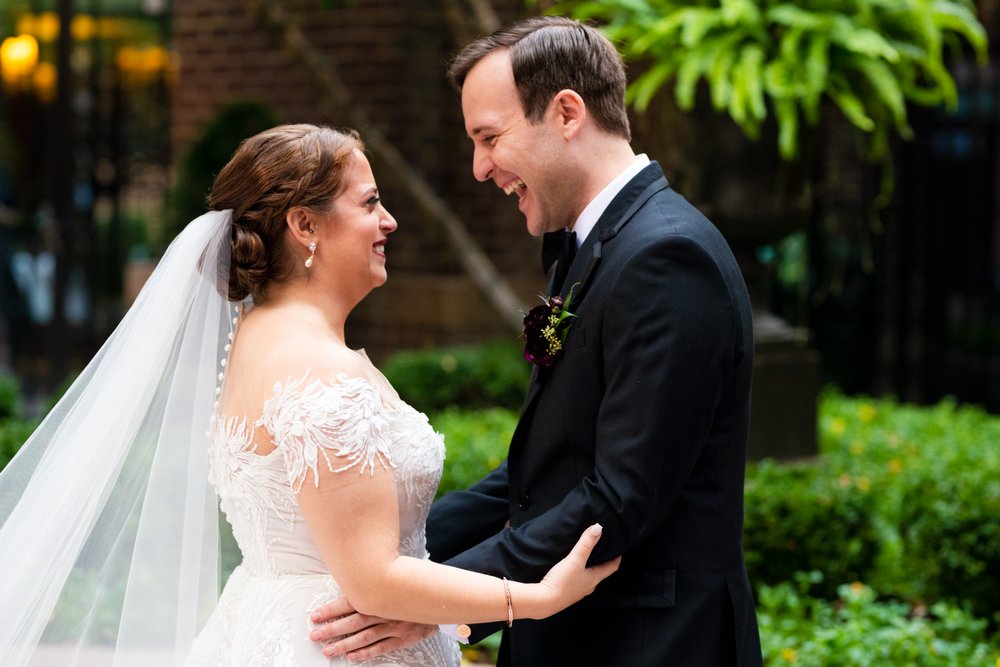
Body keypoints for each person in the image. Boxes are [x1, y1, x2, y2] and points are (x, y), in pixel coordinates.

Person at [0, 124, 619, 667]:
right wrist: (537, 598)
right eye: (371, 203)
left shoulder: (255, 336)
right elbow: (374, 579)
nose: (389, 221)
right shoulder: (320, 371)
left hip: (270, 622)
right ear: (304, 224)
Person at [310, 17, 763, 666]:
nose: (479, 167)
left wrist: (446, 601)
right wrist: (390, 559)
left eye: (489, 137)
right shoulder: (592, 250)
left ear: (567, 113)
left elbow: (619, 496)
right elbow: (541, 477)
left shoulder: (667, 257)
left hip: (647, 645)